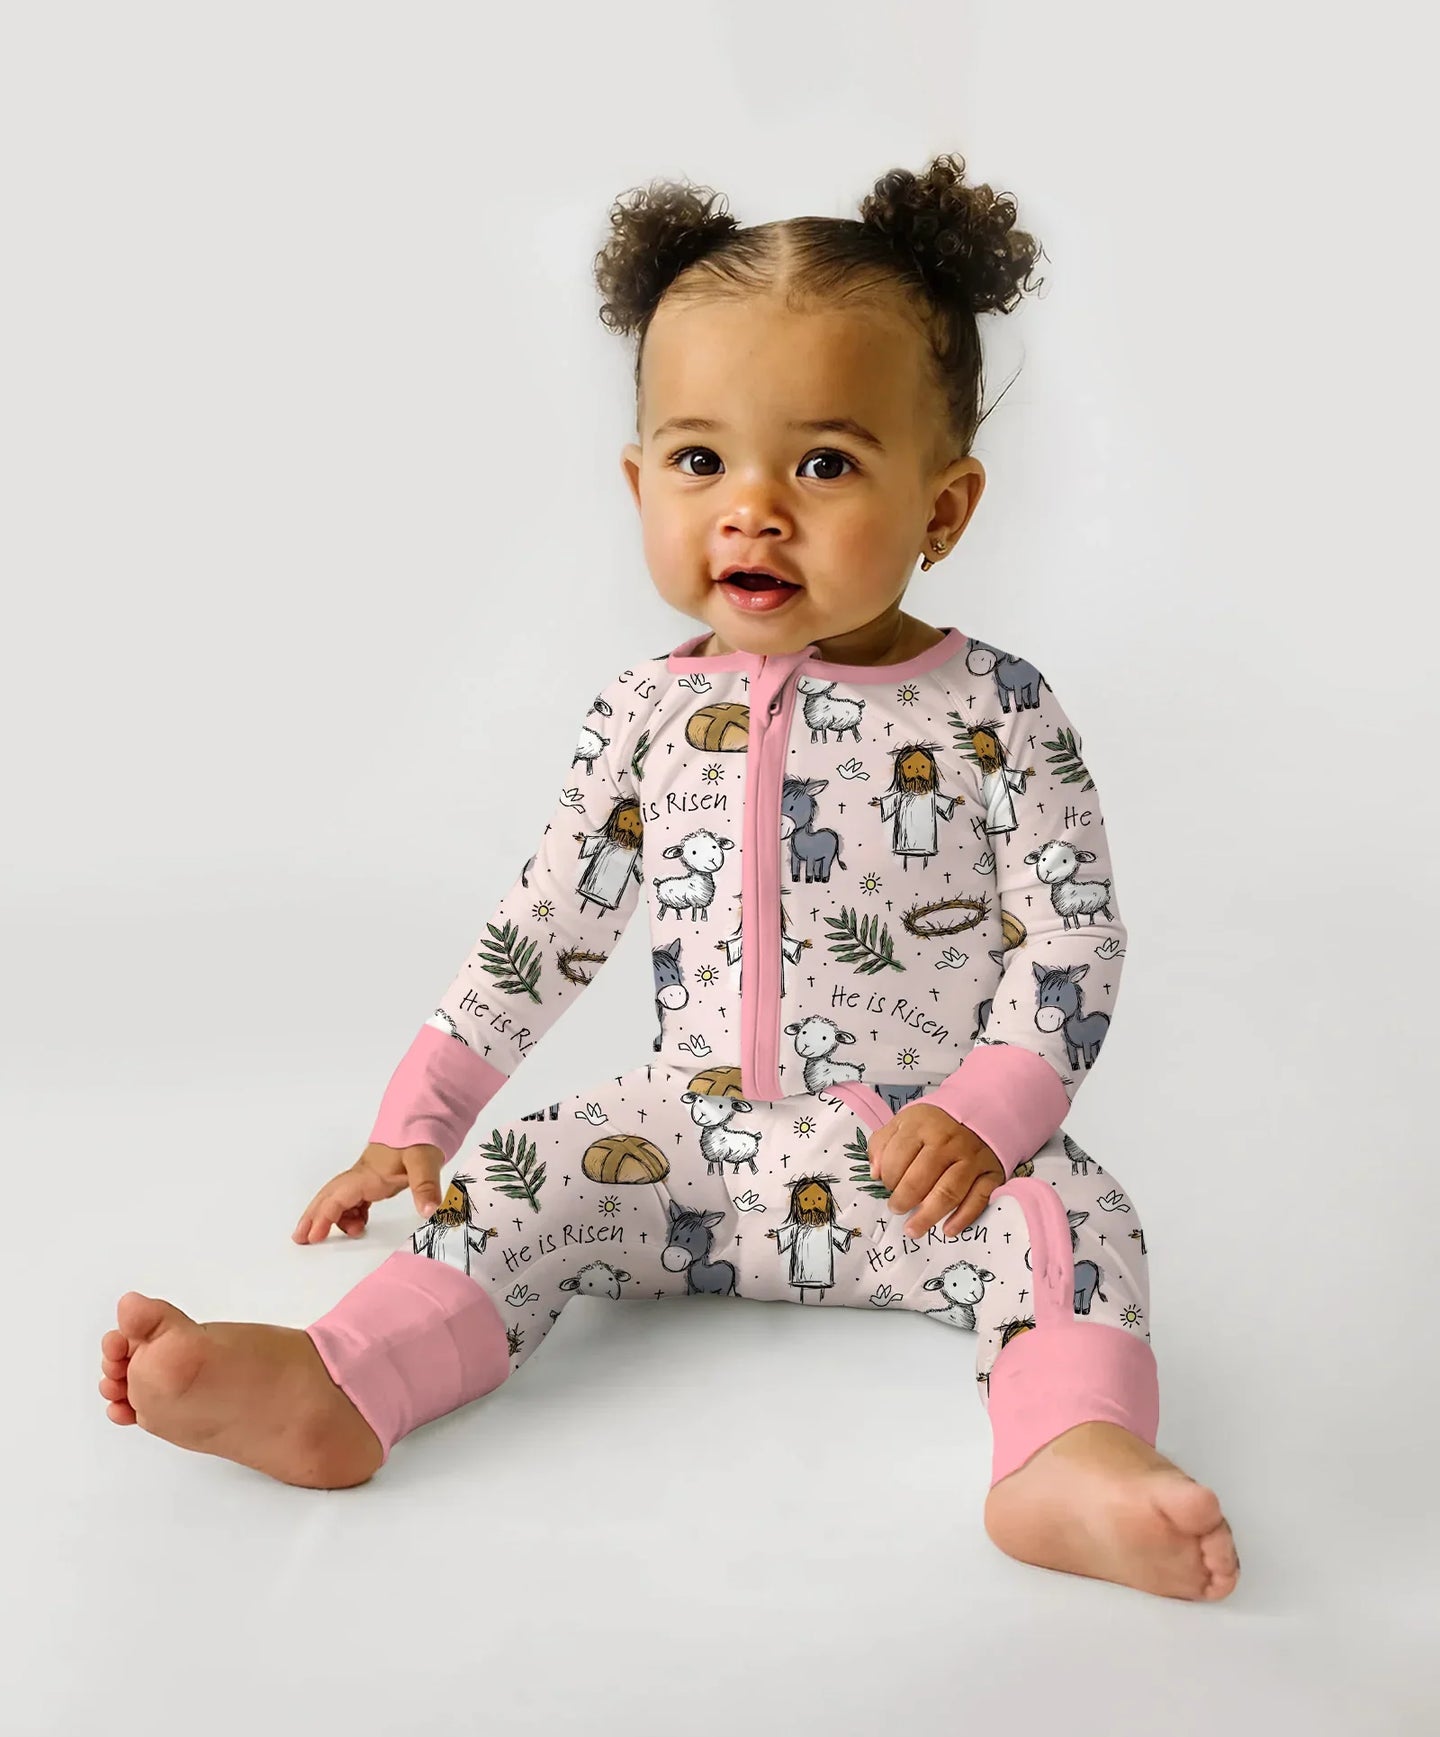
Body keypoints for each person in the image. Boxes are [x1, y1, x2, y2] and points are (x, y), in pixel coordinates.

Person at [97, 153, 1240, 1602]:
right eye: (702, 462)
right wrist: (419, 1122)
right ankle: (342, 1383)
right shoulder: (644, 711)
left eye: (824, 464)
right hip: (682, 1147)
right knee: (519, 1182)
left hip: (918, 1160)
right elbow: (547, 924)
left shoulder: (995, 709)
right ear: (639, 482)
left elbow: (1072, 938)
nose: (752, 511)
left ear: (944, 508)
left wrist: (988, 1111)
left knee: (1080, 1224)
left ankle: (1067, 1457)